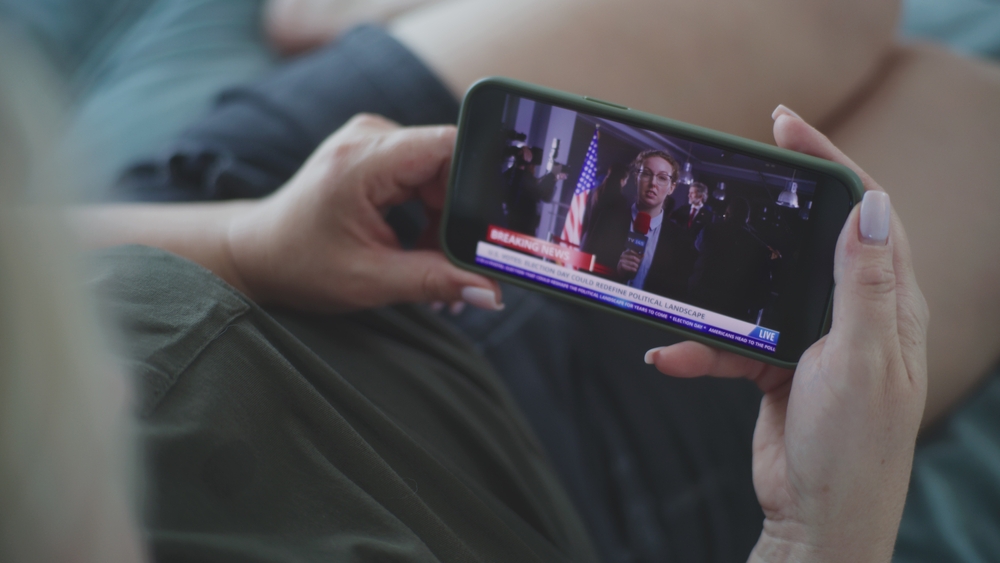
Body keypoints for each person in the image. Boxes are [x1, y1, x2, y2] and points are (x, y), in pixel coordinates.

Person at [688, 198, 772, 322]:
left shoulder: (709, 230)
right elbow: (763, 293)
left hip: (701, 296)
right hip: (733, 307)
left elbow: (696, 249)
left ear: (726, 214)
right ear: (747, 219)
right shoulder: (759, 246)